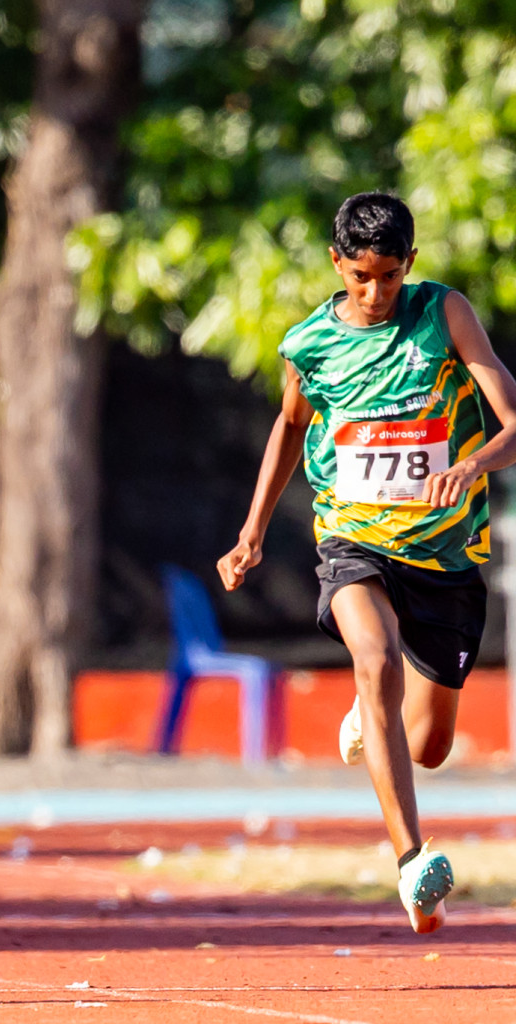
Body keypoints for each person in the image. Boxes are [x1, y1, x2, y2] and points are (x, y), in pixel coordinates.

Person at [217, 191, 516, 934]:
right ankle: (413, 862)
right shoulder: (310, 343)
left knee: (431, 745)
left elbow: (513, 421)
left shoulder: (444, 313)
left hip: (444, 554)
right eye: (359, 277)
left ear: (409, 265)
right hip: (353, 539)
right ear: (336, 264)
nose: (374, 292)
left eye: (388, 276)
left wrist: (474, 464)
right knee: (376, 659)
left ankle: (371, 707)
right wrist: (252, 530)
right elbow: (289, 428)